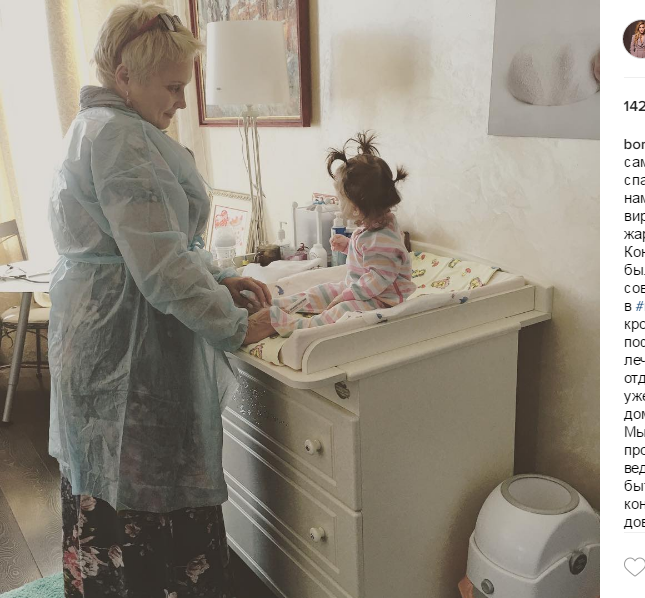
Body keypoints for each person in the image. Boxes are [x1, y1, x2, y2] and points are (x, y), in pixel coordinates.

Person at [47, 3, 275, 596]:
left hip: (101, 338)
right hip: (123, 346)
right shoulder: (120, 137)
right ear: (125, 75)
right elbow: (161, 263)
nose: (180, 102)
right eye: (172, 88)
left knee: (113, 485)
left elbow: (153, 245)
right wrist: (233, 324)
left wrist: (218, 280)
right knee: (145, 492)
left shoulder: (98, 126)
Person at [261, 132, 416, 338]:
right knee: (323, 290)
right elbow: (370, 255)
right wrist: (349, 245)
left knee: (342, 310)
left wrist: (347, 296)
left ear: (357, 207)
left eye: (341, 199)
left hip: (382, 301)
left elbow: (378, 278)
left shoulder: (382, 239)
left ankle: (300, 326)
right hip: (361, 288)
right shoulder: (375, 226)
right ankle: (281, 304)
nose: (338, 202)